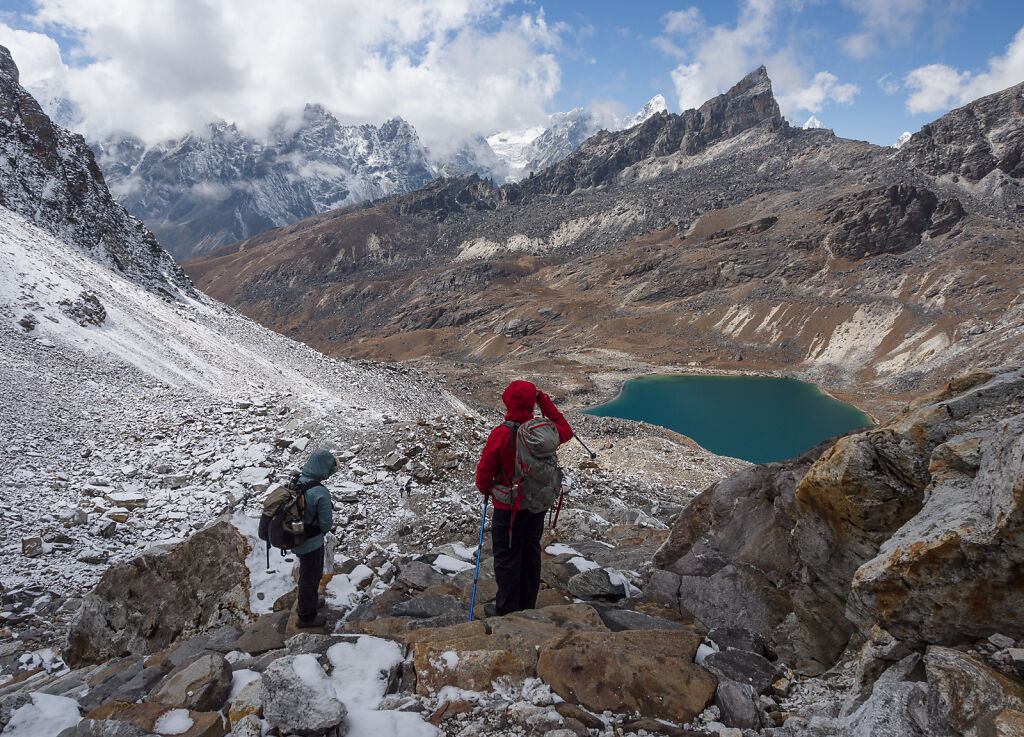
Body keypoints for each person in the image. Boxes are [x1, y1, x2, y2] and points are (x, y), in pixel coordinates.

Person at [475, 380, 573, 615]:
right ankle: (528, 607)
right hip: (536, 505)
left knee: (507, 557)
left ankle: (508, 612)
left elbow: (484, 472)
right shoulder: (543, 434)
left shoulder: (501, 433)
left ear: (508, 401)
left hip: (508, 508)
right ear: (531, 403)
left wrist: (485, 489)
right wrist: (544, 401)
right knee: (530, 553)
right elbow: (566, 429)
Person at [292, 449, 336, 628]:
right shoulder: (320, 492)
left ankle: (308, 602)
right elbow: (326, 524)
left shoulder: (298, 481)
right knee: (311, 577)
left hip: (297, 538)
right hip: (312, 542)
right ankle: (306, 616)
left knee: (306, 574)